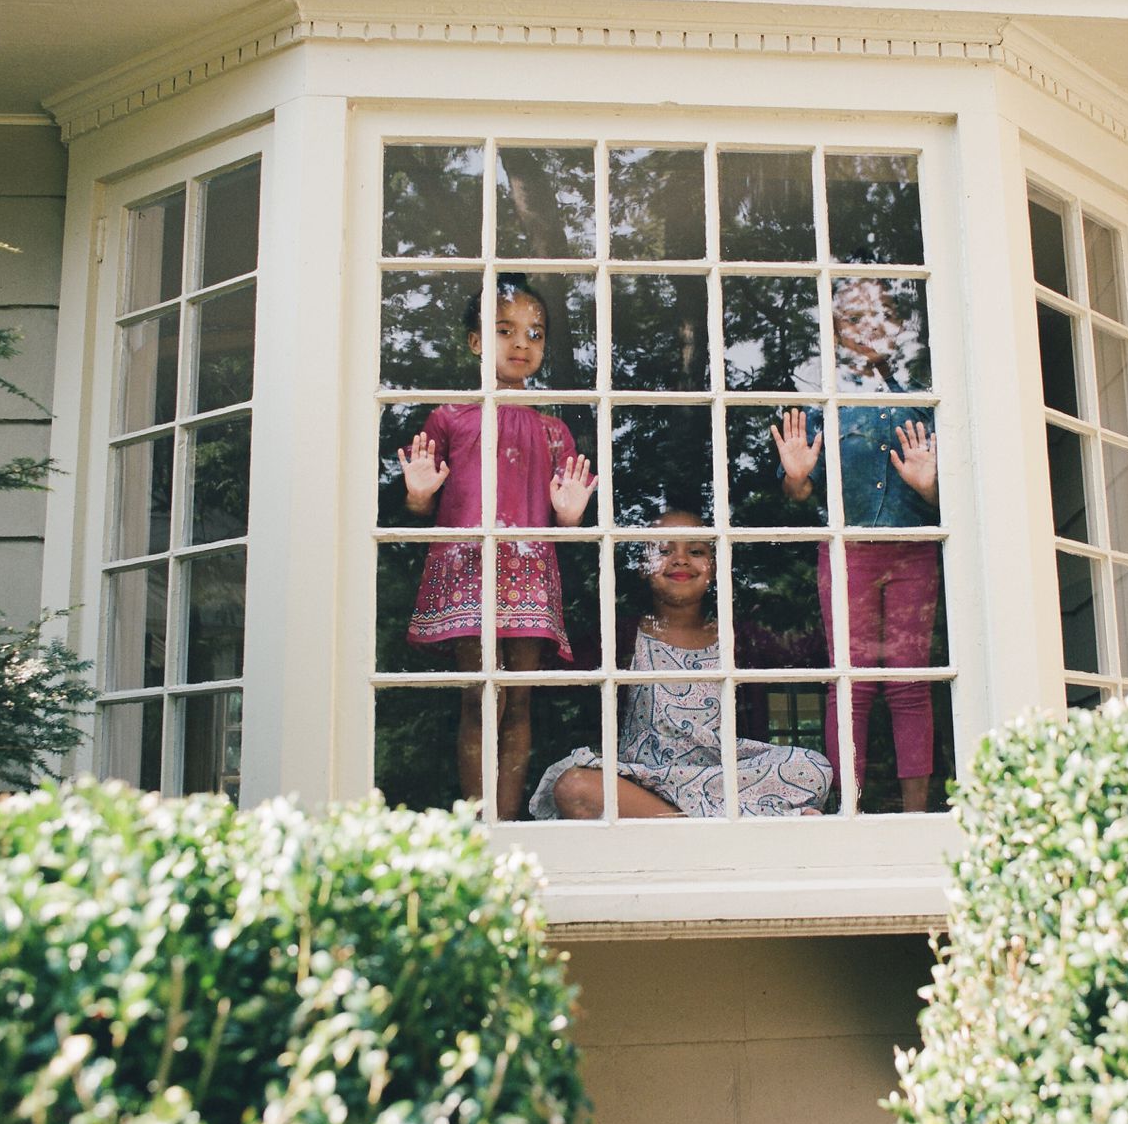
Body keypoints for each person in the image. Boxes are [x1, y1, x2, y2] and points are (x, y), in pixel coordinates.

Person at [399, 274, 597, 820]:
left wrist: (571, 516)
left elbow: (565, 523)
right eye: (504, 330)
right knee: (482, 695)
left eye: (534, 334)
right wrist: (417, 497)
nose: (520, 344)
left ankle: (506, 825)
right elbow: (421, 506)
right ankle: (478, 821)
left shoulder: (554, 429)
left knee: (521, 698)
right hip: (469, 567)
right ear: (475, 341)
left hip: (529, 571)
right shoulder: (449, 417)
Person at [527, 514, 833, 819]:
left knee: (814, 767)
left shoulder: (741, 639)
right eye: (664, 550)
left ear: (714, 566)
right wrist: (568, 530)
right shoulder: (618, 637)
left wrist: (803, 505)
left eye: (696, 551)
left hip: (727, 780)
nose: (681, 560)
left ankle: (693, 825)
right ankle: (736, 824)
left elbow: (815, 653)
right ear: (641, 568)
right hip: (645, 783)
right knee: (575, 788)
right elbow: (547, 664)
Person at [772, 277, 940, 812]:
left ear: (898, 325)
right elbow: (797, 497)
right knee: (852, 684)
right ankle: (850, 811)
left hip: (914, 548)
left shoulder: (924, 394)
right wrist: (797, 477)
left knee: (911, 682)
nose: (869, 324)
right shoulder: (825, 400)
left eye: (881, 313)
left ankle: (917, 813)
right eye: (854, 316)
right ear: (838, 332)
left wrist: (931, 488)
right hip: (848, 553)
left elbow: (955, 499)